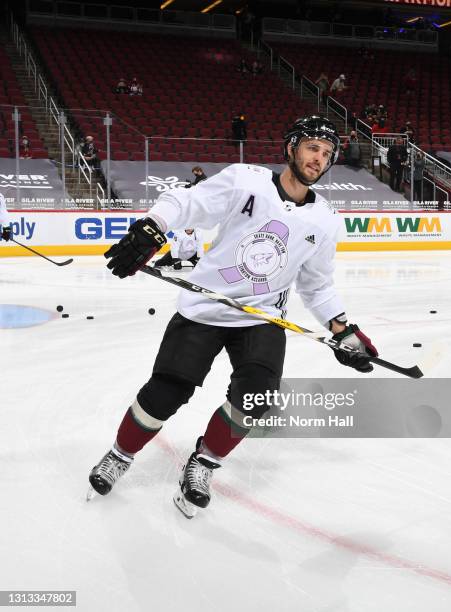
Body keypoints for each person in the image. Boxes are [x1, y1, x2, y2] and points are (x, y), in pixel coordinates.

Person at [88, 115, 378, 518]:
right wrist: (153, 228)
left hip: (262, 320)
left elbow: (317, 285)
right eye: (313, 147)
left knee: (256, 400)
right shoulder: (247, 181)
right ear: (291, 148)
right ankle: (120, 454)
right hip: (205, 309)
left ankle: (203, 464)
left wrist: (343, 329)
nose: (319, 159)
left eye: (327, 154)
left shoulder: (325, 220)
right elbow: (185, 202)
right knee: (166, 393)